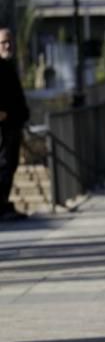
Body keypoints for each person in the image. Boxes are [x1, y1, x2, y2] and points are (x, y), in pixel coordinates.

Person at [0, 28, 30, 221]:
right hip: (4, 126)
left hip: (13, 124)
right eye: (3, 42)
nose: (8, 45)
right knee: (4, 163)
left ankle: (3, 203)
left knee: (10, 164)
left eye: (10, 42)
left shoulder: (8, 66)